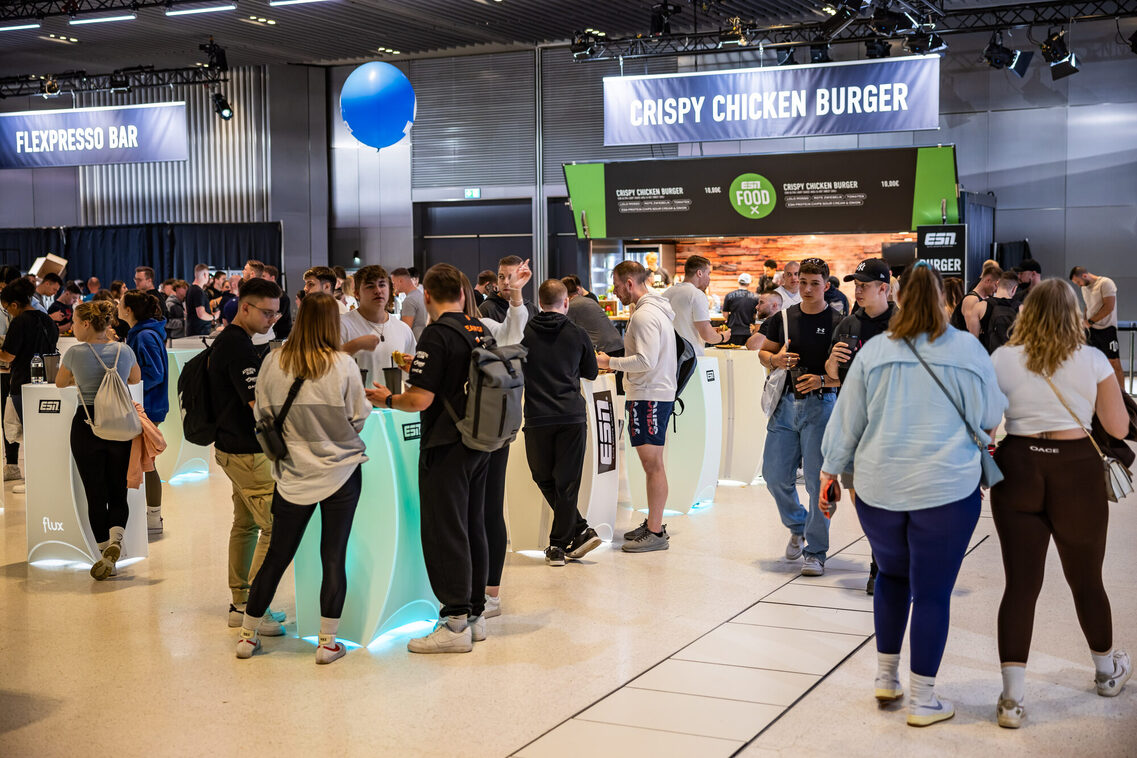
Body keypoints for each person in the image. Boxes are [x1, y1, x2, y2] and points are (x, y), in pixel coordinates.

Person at [820, 261, 1006, 728]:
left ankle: (886, 677)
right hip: (945, 489)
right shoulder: (968, 349)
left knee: (891, 578)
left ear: (901, 298)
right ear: (944, 302)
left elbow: (847, 420)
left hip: (879, 490)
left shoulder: (876, 351)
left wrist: (828, 472)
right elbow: (989, 414)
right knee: (932, 593)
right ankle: (923, 700)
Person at [988, 279, 1131, 727]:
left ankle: (1012, 701)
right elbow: (1118, 427)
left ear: (1026, 313)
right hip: (1077, 473)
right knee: (1087, 580)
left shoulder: (1002, 358)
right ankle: (1107, 673)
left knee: (1020, 585)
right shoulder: (1091, 359)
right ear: (1075, 314)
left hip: (1018, 468)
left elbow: (987, 423)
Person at [236, 293, 372, 664]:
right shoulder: (342, 365)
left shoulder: (272, 361)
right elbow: (358, 417)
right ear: (334, 324)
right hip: (340, 472)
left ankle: (247, 635)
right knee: (333, 555)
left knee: (278, 555)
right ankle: (327, 644)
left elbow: (261, 413)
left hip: (292, 473)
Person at [366, 264, 494, 654]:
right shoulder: (479, 328)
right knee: (473, 525)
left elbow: (419, 399)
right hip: (479, 441)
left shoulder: (437, 334)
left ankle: (454, 623)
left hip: (446, 445)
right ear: (461, 291)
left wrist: (386, 399)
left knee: (444, 530)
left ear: (426, 296)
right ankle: (474, 614)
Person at [207, 277, 287, 636]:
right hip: (247, 452)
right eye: (266, 313)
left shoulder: (234, 342)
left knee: (245, 524)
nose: (272, 319)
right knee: (274, 525)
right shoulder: (238, 347)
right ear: (245, 308)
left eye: (276, 313)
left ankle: (241, 602)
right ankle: (256, 604)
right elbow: (258, 405)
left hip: (231, 448)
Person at [758, 258, 843, 577]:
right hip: (785, 405)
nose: (806, 288)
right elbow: (763, 353)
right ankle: (798, 524)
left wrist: (822, 379)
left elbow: (849, 373)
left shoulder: (838, 321)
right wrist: (776, 359)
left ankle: (816, 551)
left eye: (813, 283)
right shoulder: (784, 317)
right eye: (801, 282)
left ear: (826, 286)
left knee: (817, 482)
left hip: (821, 406)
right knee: (774, 475)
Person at [824, 258, 897, 594]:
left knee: (890, 499)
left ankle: (883, 565)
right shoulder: (848, 325)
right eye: (857, 285)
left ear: (884, 288)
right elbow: (832, 377)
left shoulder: (904, 324)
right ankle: (881, 558)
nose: (859, 290)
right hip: (857, 424)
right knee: (863, 500)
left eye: (865, 285)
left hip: (895, 425)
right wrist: (833, 363)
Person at [54, 300, 141, 580]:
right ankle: (116, 541)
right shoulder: (124, 350)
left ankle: (106, 555)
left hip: (87, 424)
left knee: (95, 494)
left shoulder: (76, 353)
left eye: (76, 324)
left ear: (87, 324)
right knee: (118, 491)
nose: (73, 328)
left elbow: (59, 382)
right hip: (120, 426)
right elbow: (135, 378)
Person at [521, 279, 603, 566]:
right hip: (571, 415)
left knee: (543, 477)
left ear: (539, 301)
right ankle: (576, 532)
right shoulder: (577, 333)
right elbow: (590, 372)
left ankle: (562, 542)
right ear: (566, 302)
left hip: (537, 416)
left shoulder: (524, 332)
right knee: (567, 483)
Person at [597, 261, 676, 553]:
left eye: (616, 286)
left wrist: (608, 362)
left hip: (650, 395)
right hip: (651, 393)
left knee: (652, 465)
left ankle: (655, 532)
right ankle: (653, 524)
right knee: (652, 464)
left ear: (629, 283)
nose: (615, 292)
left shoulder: (644, 315)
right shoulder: (654, 310)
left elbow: (645, 361)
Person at [120, 290, 169, 536]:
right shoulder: (141, 334)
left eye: (121, 303)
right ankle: (150, 515)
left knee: (146, 461)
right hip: (146, 405)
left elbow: (155, 373)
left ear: (129, 310)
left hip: (147, 406)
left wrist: (131, 387)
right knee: (144, 461)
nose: (118, 306)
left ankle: (152, 516)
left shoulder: (145, 336)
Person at [340, 265, 416, 385]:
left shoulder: (403, 329)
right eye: (370, 286)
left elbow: (411, 379)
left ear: (390, 289)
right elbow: (327, 365)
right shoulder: (342, 326)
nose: (378, 291)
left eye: (382, 285)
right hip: (355, 403)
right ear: (357, 294)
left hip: (392, 402)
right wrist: (356, 345)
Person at [0, 278, 59, 432]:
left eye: (6, 308)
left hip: (23, 384)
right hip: (48, 383)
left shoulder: (19, 322)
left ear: (14, 304)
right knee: (45, 431)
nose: (8, 312)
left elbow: (8, 356)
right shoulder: (48, 320)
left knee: (30, 432)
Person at [1070, 266, 1125, 391]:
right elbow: (1088, 306)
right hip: (1091, 330)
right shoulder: (1085, 288)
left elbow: (1109, 307)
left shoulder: (1105, 283)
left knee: (1114, 363)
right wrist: (1084, 322)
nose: (1079, 285)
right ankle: (1095, 394)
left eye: (1078, 282)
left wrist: (1089, 321)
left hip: (1107, 330)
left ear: (1084, 276)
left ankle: (1123, 397)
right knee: (1091, 363)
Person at [665, 256, 730, 355]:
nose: (709, 278)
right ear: (699, 273)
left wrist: (711, 330)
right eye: (708, 273)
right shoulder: (697, 295)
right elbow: (707, 335)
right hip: (690, 358)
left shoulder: (667, 293)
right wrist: (723, 337)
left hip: (669, 356)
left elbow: (683, 324)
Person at [0, 266, 24, 486]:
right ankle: (12, 464)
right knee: (8, 419)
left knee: (20, 417)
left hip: (17, 370)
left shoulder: (27, 311)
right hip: (5, 370)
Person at [479, 256, 538, 323]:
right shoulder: (486, 309)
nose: (505, 282)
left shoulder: (532, 309)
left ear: (521, 278)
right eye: (501, 277)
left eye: (511, 277)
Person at [950, 261, 1000, 337]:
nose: (996, 290)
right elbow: (973, 334)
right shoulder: (971, 300)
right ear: (988, 280)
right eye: (995, 285)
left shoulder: (988, 298)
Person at [974, 272, 1020, 353]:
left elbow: (973, 341)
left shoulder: (980, 306)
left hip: (989, 360)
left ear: (997, 283)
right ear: (1014, 289)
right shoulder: (1022, 309)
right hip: (1013, 359)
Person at [722, 273, 760, 346]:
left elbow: (725, 315)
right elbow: (756, 316)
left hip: (733, 331)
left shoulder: (729, 295)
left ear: (738, 282)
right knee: (745, 355)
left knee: (734, 354)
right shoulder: (756, 297)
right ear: (749, 283)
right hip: (748, 331)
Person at [391, 267, 427, 338]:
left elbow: (405, 330)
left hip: (415, 342)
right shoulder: (420, 295)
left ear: (400, 281)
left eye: (394, 283)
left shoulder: (409, 300)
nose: (393, 286)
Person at [262, 265, 291, 340]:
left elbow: (276, 317)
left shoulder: (282, 296)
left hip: (279, 336)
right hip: (269, 335)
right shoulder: (267, 295)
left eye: (264, 276)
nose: (261, 278)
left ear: (272, 278)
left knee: (274, 351)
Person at [187, 264, 215, 337]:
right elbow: (201, 314)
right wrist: (214, 317)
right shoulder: (198, 291)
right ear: (205, 274)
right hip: (199, 333)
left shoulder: (191, 289)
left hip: (195, 331)